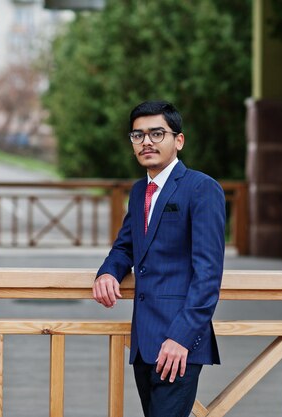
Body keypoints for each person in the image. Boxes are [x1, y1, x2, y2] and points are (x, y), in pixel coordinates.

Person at [92, 100, 225, 417]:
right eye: (138, 135)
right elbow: (126, 246)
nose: (146, 142)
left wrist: (180, 338)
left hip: (178, 342)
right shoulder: (140, 191)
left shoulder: (202, 188)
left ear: (178, 140)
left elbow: (207, 274)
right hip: (144, 341)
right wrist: (108, 273)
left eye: (156, 133)